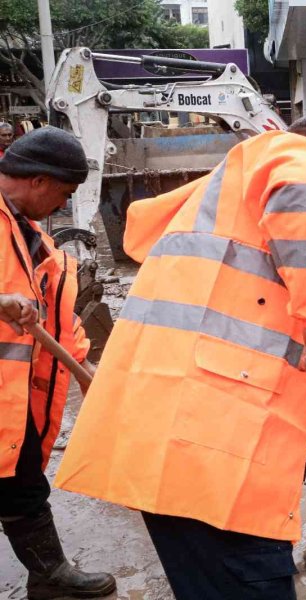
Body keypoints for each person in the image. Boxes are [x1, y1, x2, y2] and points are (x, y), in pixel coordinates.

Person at [54, 116, 306, 600]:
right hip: (212, 453)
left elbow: (271, 342)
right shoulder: (300, 160)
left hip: (168, 440)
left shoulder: (222, 215)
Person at [0, 127, 116, 599]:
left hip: (10, 397)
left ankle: (48, 576)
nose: (62, 206)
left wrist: (87, 370)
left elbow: (58, 321)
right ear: (40, 181)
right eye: (65, 195)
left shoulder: (31, 239)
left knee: (21, 480)